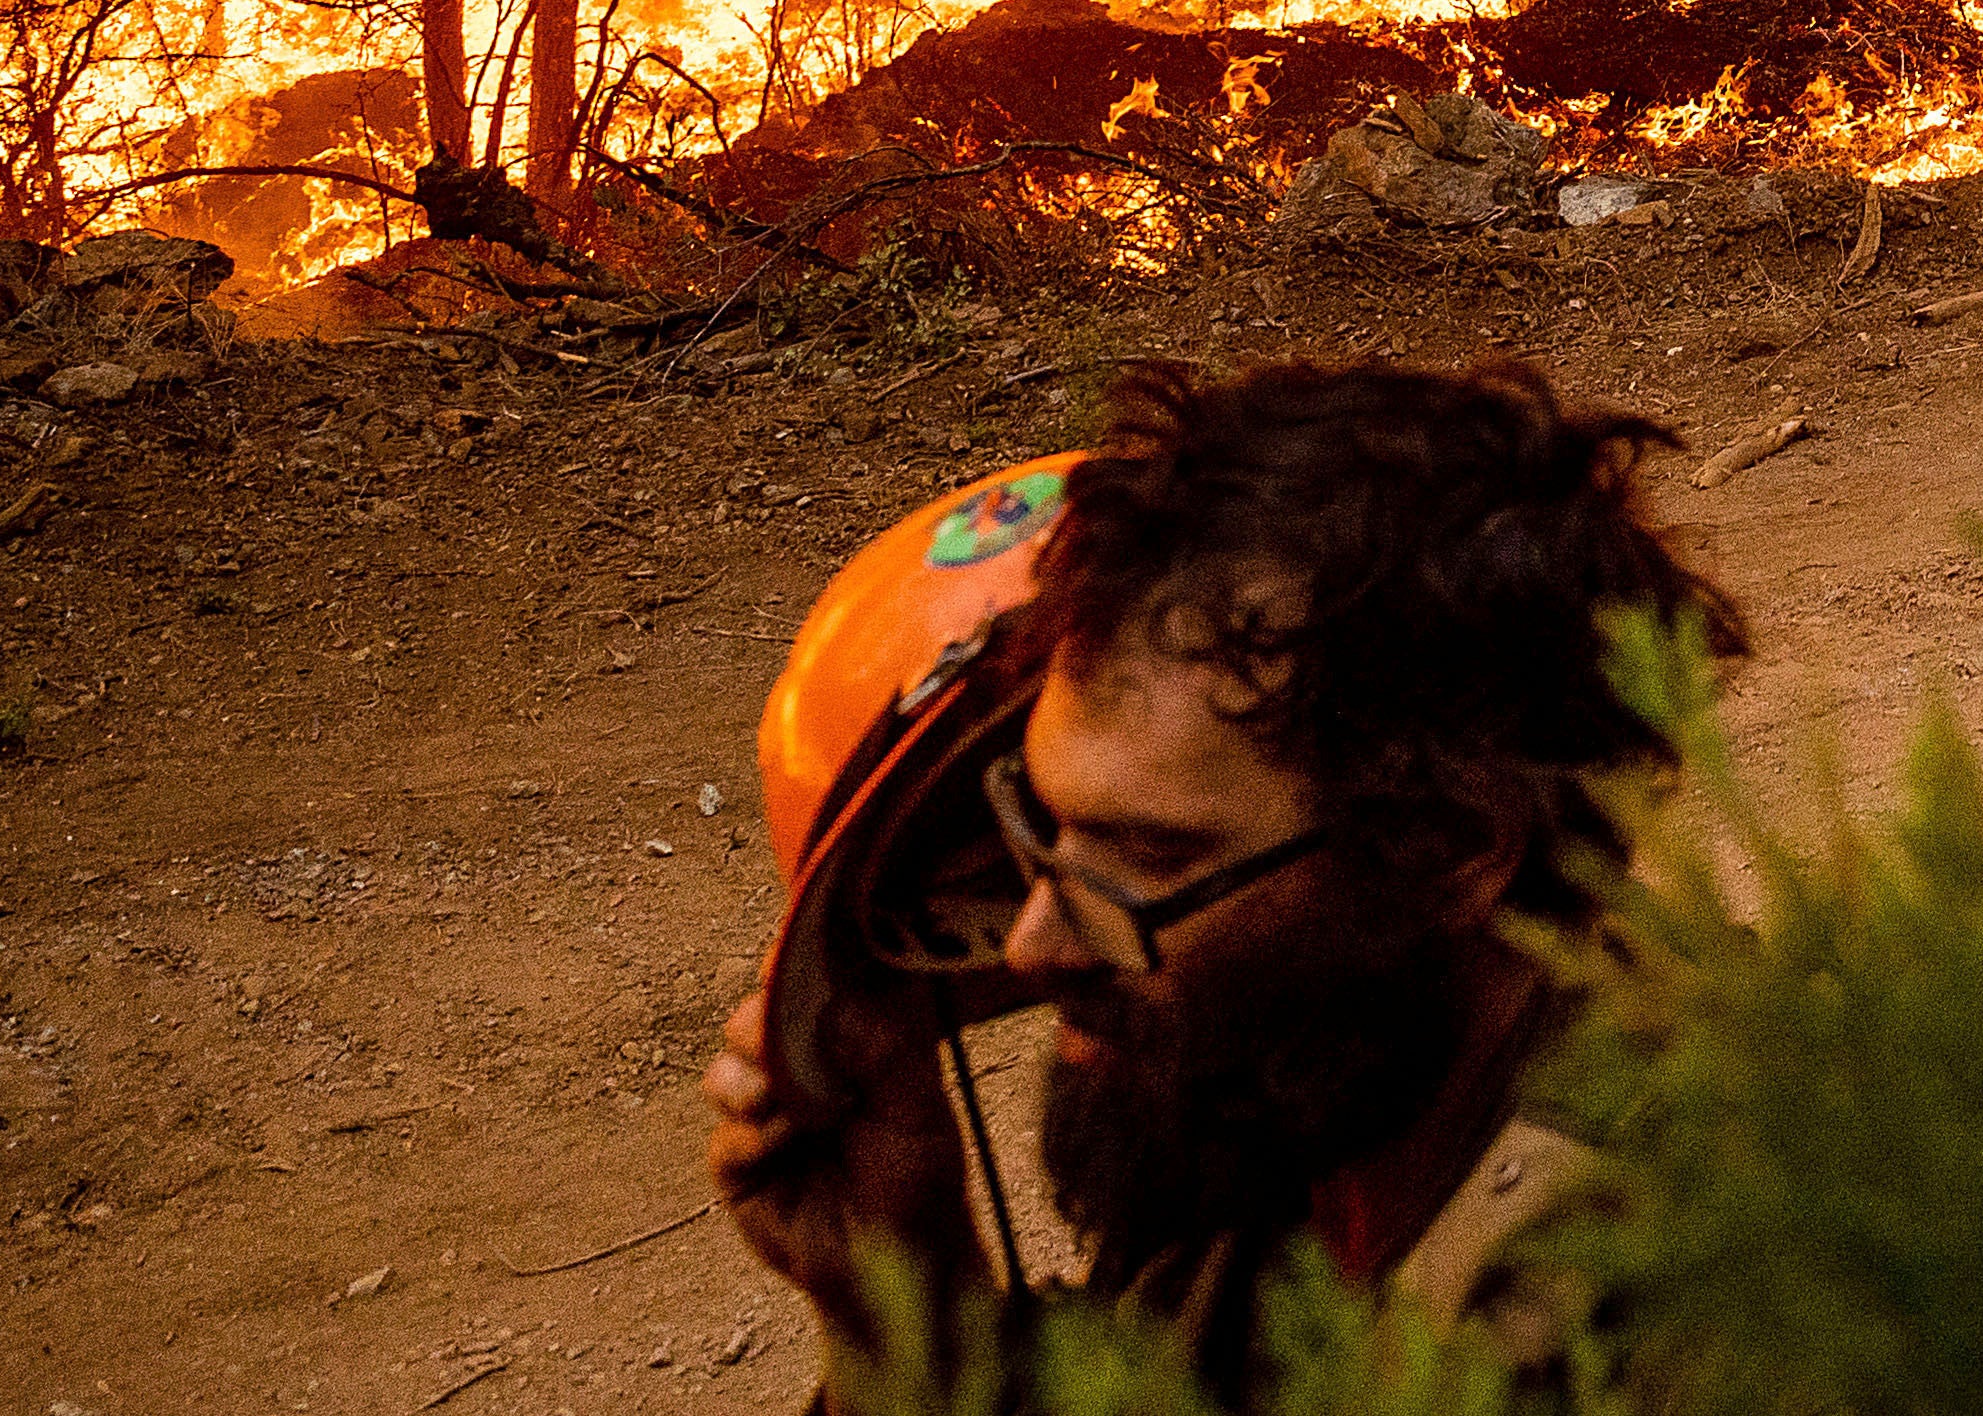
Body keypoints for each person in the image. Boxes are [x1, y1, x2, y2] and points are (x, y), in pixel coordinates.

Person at [704, 357, 1738, 1405]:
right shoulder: (1304, 1094)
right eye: (1044, 823)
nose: (1034, 943)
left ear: (1451, 850)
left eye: (1151, 857)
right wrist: (909, 1309)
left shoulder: (1721, 1284)